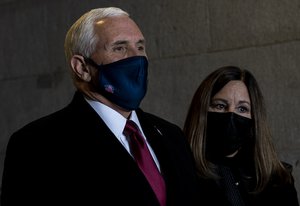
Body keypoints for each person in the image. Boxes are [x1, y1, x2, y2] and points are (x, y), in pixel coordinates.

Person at [0, 7, 200, 206]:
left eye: (140, 47)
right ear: (82, 67)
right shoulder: (37, 145)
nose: (136, 58)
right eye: (119, 48)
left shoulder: (172, 136)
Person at [183, 66, 299, 205]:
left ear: (255, 118)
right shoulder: (182, 170)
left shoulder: (278, 179)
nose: (231, 114)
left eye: (242, 108)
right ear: (202, 111)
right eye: (220, 106)